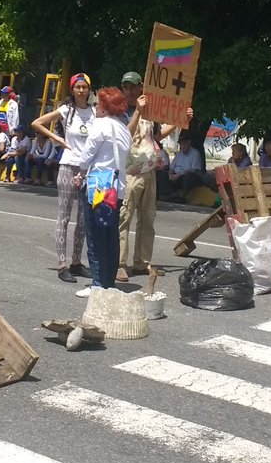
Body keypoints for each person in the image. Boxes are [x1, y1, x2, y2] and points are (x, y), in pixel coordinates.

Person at [117, 71, 185, 282]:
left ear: (140, 89)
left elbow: (156, 136)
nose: (128, 91)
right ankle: (119, 264)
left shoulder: (150, 113)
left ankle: (142, 262)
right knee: (124, 218)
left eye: (132, 87)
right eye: (125, 87)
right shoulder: (120, 111)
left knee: (147, 219)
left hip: (149, 172)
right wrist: (138, 110)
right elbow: (125, 136)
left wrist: (180, 121)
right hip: (128, 173)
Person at [31, 73, 94, 283]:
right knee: (64, 216)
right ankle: (62, 264)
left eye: (85, 87)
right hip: (68, 165)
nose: (82, 90)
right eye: (78, 87)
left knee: (84, 219)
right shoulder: (66, 110)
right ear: (72, 89)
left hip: (87, 170)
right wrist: (57, 138)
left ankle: (76, 262)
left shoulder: (95, 113)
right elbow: (37, 123)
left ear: (89, 89)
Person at [71, 87, 132, 297]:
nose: (95, 107)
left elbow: (87, 154)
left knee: (95, 236)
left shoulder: (100, 126)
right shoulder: (124, 129)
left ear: (106, 108)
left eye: (98, 104)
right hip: (117, 188)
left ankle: (97, 283)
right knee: (110, 235)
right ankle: (109, 282)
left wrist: (80, 173)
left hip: (99, 185)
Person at [166, 133, 214, 202]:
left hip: (190, 177)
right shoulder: (178, 154)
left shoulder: (195, 153)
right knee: (163, 175)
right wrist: (170, 174)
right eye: (181, 144)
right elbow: (171, 167)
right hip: (177, 176)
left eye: (185, 143)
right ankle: (168, 194)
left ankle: (182, 196)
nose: (183, 146)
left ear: (189, 143)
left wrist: (179, 174)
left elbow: (194, 169)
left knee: (188, 177)